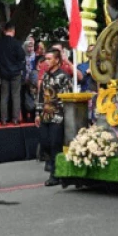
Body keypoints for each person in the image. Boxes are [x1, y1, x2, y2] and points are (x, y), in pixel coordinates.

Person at [37, 49, 73, 187]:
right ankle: (53, 168)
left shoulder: (64, 77)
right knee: (44, 142)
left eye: (49, 59)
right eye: (45, 59)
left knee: (55, 144)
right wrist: (37, 113)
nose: (46, 62)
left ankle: (56, 174)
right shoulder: (46, 76)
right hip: (45, 115)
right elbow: (40, 95)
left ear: (57, 60)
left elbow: (67, 97)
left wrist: (56, 108)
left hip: (58, 115)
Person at [0, 21, 26, 125]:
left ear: (4, 30)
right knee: (16, 95)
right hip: (15, 72)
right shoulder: (17, 43)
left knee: (4, 96)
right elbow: (22, 57)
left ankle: (3, 120)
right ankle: (15, 119)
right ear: (13, 30)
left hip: (3, 71)